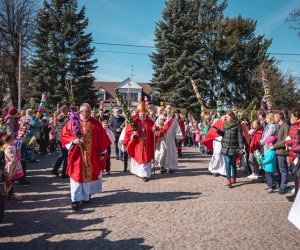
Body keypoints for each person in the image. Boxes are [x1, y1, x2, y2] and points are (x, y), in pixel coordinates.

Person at [61, 103, 111, 210]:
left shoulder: (95, 123)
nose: (88, 113)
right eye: (85, 111)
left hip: (91, 155)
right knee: (76, 176)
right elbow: (64, 135)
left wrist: (102, 152)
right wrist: (73, 141)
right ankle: (75, 200)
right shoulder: (73, 122)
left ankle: (87, 195)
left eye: (89, 111)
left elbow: (102, 138)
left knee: (89, 174)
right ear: (80, 112)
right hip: (77, 155)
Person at [124, 102, 155, 182]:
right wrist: (133, 134)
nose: (143, 116)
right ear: (138, 114)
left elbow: (153, 128)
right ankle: (140, 173)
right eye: (141, 114)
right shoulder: (134, 121)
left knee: (146, 158)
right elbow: (128, 131)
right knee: (139, 158)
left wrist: (155, 129)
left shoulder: (149, 121)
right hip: (137, 144)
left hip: (147, 143)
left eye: (144, 114)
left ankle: (145, 174)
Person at [218, 111, 244, 187]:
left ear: (232, 117)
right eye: (225, 117)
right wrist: (219, 132)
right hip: (225, 147)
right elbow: (224, 134)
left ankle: (234, 177)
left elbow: (239, 136)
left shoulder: (237, 125)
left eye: (227, 117)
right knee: (227, 162)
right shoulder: (225, 124)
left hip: (234, 147)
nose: (225, 118)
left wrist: (241, 146)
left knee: (233, 163)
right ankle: (228, 179)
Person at [155, 104, 183, 174]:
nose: (169, 109)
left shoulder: (173, 119)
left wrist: (178, 137)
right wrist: (157, 131)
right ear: (165, 109)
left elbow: (177, 128)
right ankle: (162, 166)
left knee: (170, 153)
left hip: (170, 138)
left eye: (170, 108)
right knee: (162, 152)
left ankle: (171, 167)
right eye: (168, 108)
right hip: (162, 138)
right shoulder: (160, 117)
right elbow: (156, 126)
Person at [269, 112, 290, 194]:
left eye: (275, 117)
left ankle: (283, 187)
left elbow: (285, 140)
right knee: (279, 170)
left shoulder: (286, 126)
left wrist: (274, 146)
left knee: (283, 170)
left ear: (278, 118)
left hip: (282, 151)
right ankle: (280, 184)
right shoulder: (279, 126)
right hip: (277, 151)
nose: (274, 119)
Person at [51, 105, 70, 178]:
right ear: (65, 110)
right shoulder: (67, 119)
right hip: (65, 138)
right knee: (66, 156)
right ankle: (64, 173)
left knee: (62, 155)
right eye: (67, 109)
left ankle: (55, 170)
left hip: (59, 138)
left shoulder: (57, 117)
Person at [3, 135, 23, 201]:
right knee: (9, 181)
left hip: (14, 166)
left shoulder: (12, 146)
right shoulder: (8, 148)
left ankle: (10, 194)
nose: (13, 140)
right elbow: (12, 158)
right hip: (10, 167)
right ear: (8, 141)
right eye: (12, 139)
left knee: (11, 181)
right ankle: (8, 195)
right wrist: (18, 154)